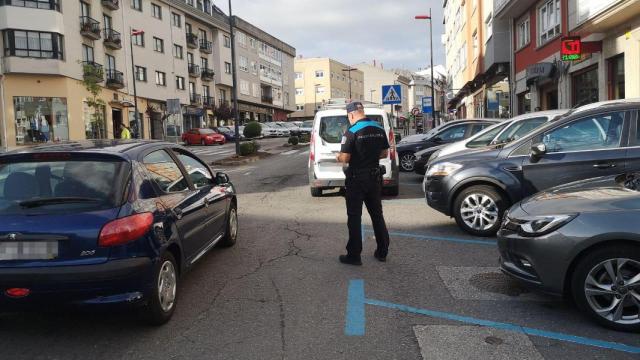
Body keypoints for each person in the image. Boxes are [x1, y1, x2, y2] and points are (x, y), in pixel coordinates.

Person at [335, 101, 391, 265]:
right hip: (374, 178)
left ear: (351, 114)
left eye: (348, 117)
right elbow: (384, 153)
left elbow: (345, 158)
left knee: (354, 217)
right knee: (377, 215)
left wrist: (338, 157)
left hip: (356, 179)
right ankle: (382, 252)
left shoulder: (351, 131)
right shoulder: (379, 128)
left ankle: (354, 255)